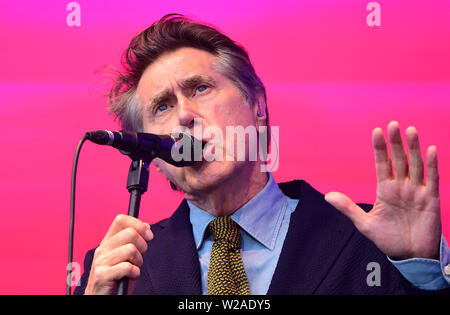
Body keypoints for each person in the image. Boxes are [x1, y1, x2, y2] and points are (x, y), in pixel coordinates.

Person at [74, 14, 450, 295]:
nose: (185, 115)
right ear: (153, 156)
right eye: (162, 108)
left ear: (258, 105)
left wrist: (423, 271)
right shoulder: (117, 272)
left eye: (201, 88)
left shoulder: (370, 242)